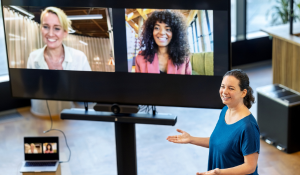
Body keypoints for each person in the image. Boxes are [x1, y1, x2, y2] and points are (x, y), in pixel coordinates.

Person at [167, 69, 260, 175]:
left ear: (243, 93)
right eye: (222, 86)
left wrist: (219, 172)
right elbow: (219, 142)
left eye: (231, 88)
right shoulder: (225, 110)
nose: (224, 91)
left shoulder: (248, 127)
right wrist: (191, 139)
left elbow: (250, 167)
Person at [27, 7, 91, 71]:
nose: (50, 34)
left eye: (57, 28)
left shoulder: (80, 58)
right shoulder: (33, 58)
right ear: (41, 29)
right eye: (46, 27)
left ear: (65, 33)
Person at [135, 10, 191, 74]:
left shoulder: (184, 59)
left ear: (175, 33)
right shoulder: (140, 58)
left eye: (168, 29)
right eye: (157, 28)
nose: (162, 32)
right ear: (151, 31)